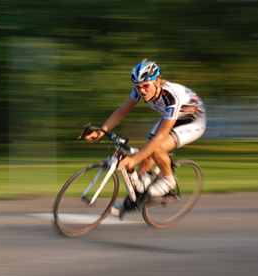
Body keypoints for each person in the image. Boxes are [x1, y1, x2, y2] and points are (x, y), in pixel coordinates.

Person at [84, 59, 206, 218]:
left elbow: (160, 138)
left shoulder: (171, 97)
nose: (141, 90)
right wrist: (101, 132)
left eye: (145, 85)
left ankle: (168, 181)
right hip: (172, 117)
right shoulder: (140, 89)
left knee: (157, 149)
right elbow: (122, 112)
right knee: (144, 163)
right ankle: (136, 198)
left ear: (156, 81)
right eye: (137, 86)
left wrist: (133, 160)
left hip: (194, 120)